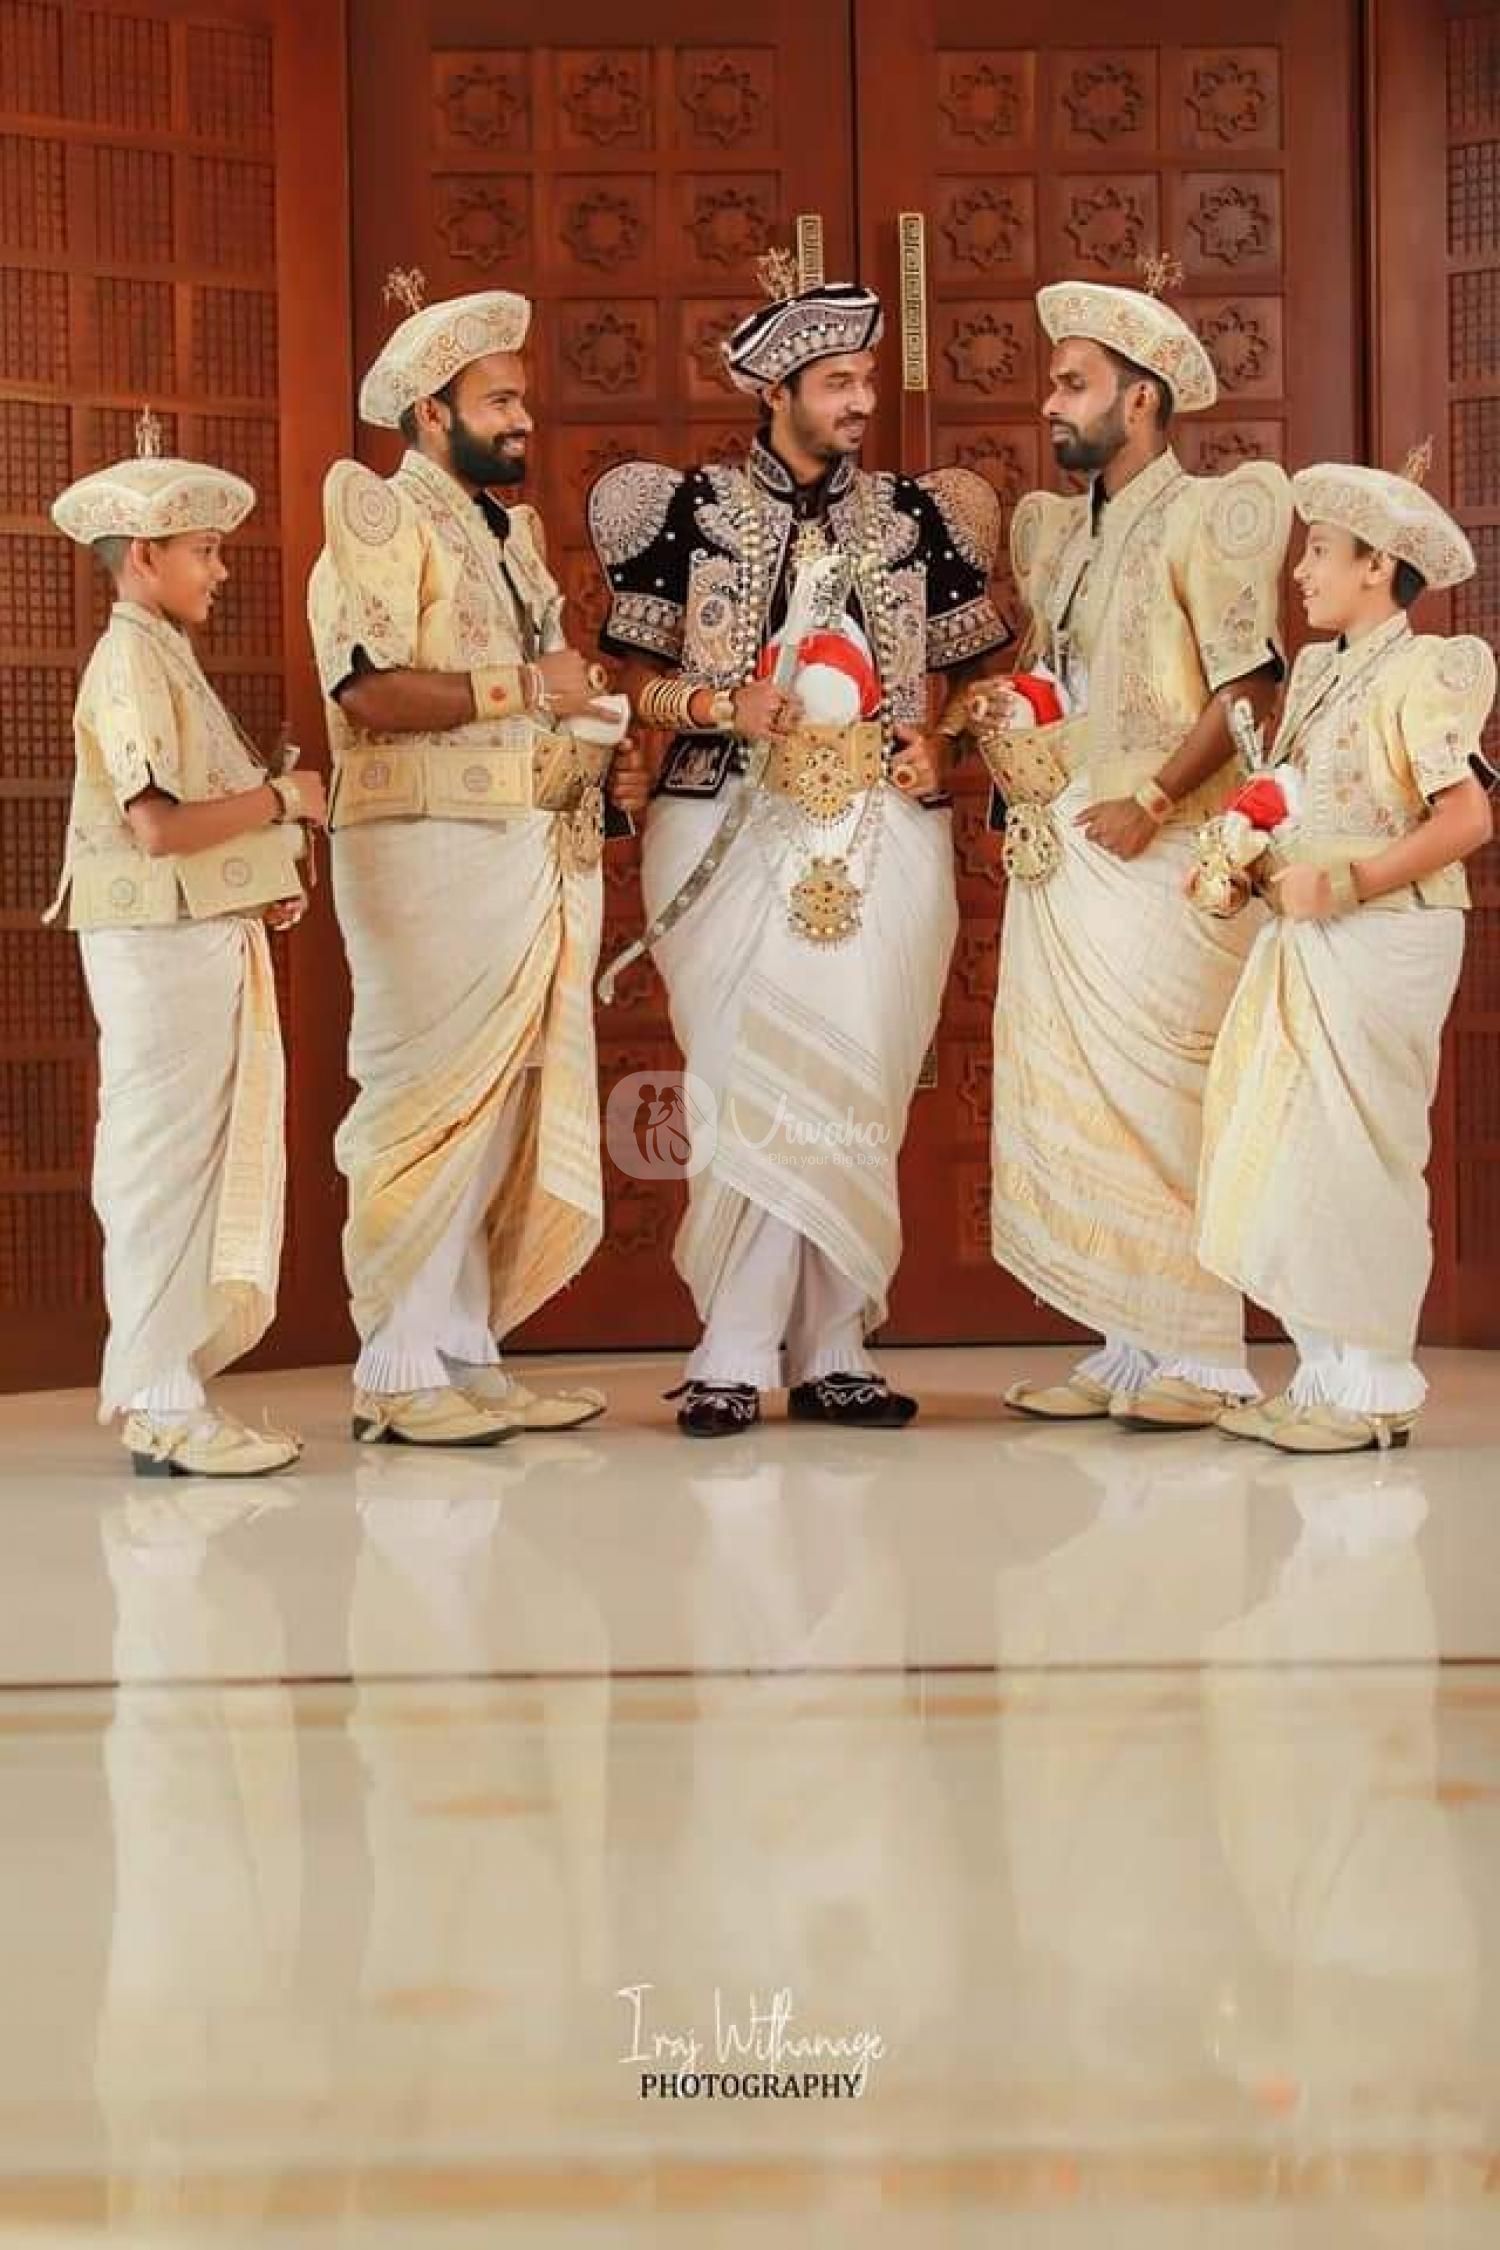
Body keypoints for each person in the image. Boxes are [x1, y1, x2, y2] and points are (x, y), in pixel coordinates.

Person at [588, 261, 1010, 1436]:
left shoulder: (923, 517)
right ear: (776, 393)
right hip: (727, 823)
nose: (861, 401)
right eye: (837, 382)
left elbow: (975, 671)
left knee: (851, 1083)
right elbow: (633, 679)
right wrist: (715, 707)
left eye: (867, 378)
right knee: (754, 1083)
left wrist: (943, 741)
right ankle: (738, 1347)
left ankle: (828, 1348)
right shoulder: (685, 512)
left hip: (881, 832)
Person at [307, 280, 649, 1447]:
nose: (523, 419)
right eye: (499, 400)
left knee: (500, 1099)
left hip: (522, 847)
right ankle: (394, 1371)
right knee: (425, 1103)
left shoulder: (510, 535)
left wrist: (600, 759)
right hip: (422, 851)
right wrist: (528, 688)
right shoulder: (376, 514)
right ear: (432, 413)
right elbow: (367, 689)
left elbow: (549, 695)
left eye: (521, 398)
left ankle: (459, 1348)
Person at [973, 265, 1293, 1432]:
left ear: (1141, 399)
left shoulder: (1206, 517)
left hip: (1164, 852)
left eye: (1073, 384)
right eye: (1053, 384)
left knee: (1167, 1099)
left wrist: (1153, 801)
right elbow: (1065, 681)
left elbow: (1250, 682)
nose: (1050, 404)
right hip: (1066, 849)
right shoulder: (1063, 535)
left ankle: (1207, 1355)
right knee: (1080, 1102)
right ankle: (1125, 1341)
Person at [1194, 456, 1495, 1453]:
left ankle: (1375, 1384)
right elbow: (1295, 800)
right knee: (1289, 1149)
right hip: (1307, 930)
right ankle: (1323, 1374)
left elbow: (1468, 819)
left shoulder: (1428, 668)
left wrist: (1348, 885)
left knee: (1358, 1152)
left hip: (1387, 933)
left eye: (1320, 551)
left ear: (1377, 566)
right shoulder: (1320, 671)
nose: (1300, 571)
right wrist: (1249, 857)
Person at [48, 413, 325, 1475]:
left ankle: (175, 1394)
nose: (220, 570)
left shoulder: (164, 655)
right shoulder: (130, 660)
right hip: (153, 944)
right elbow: (157, 827)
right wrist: (286, 801)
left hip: (185, 937)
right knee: (161, 1159)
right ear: (144, 556)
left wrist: (258, 884)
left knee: (185, 1156)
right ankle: (160, 1401)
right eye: (203, 551)